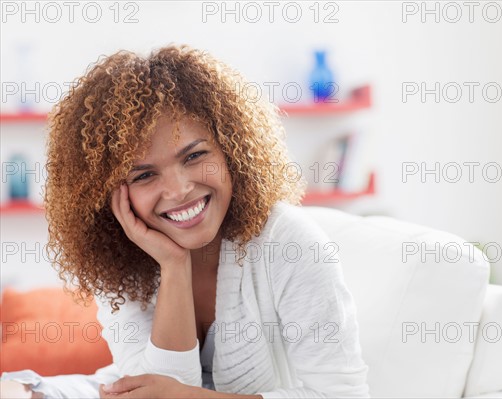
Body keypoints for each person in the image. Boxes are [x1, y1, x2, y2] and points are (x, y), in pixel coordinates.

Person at [0, 45, 370, 398]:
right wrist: (174, 265)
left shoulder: (290, 242)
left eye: (194, 156)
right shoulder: (121, 256)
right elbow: (155, 387)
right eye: (143, 176)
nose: (178, 190)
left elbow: (342, 395)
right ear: (112, 194)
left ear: (232, 149)